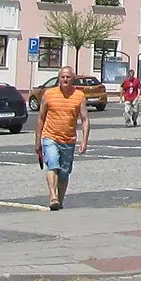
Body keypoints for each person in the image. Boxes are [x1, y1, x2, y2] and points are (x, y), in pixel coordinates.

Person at [34, 65, 89, 211]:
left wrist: (84, 141)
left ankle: (60, 200)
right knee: (52, 164)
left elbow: (85, 119)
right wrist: (37, 140)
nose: (65, 79)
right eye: (62, 77)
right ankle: (53, 197)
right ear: (59, 78)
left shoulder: (79, 96)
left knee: (64, 172)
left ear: (73, 79)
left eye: (68, 77)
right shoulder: (49, 94)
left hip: (68, 139)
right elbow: (41, 117)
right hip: (50, 136)